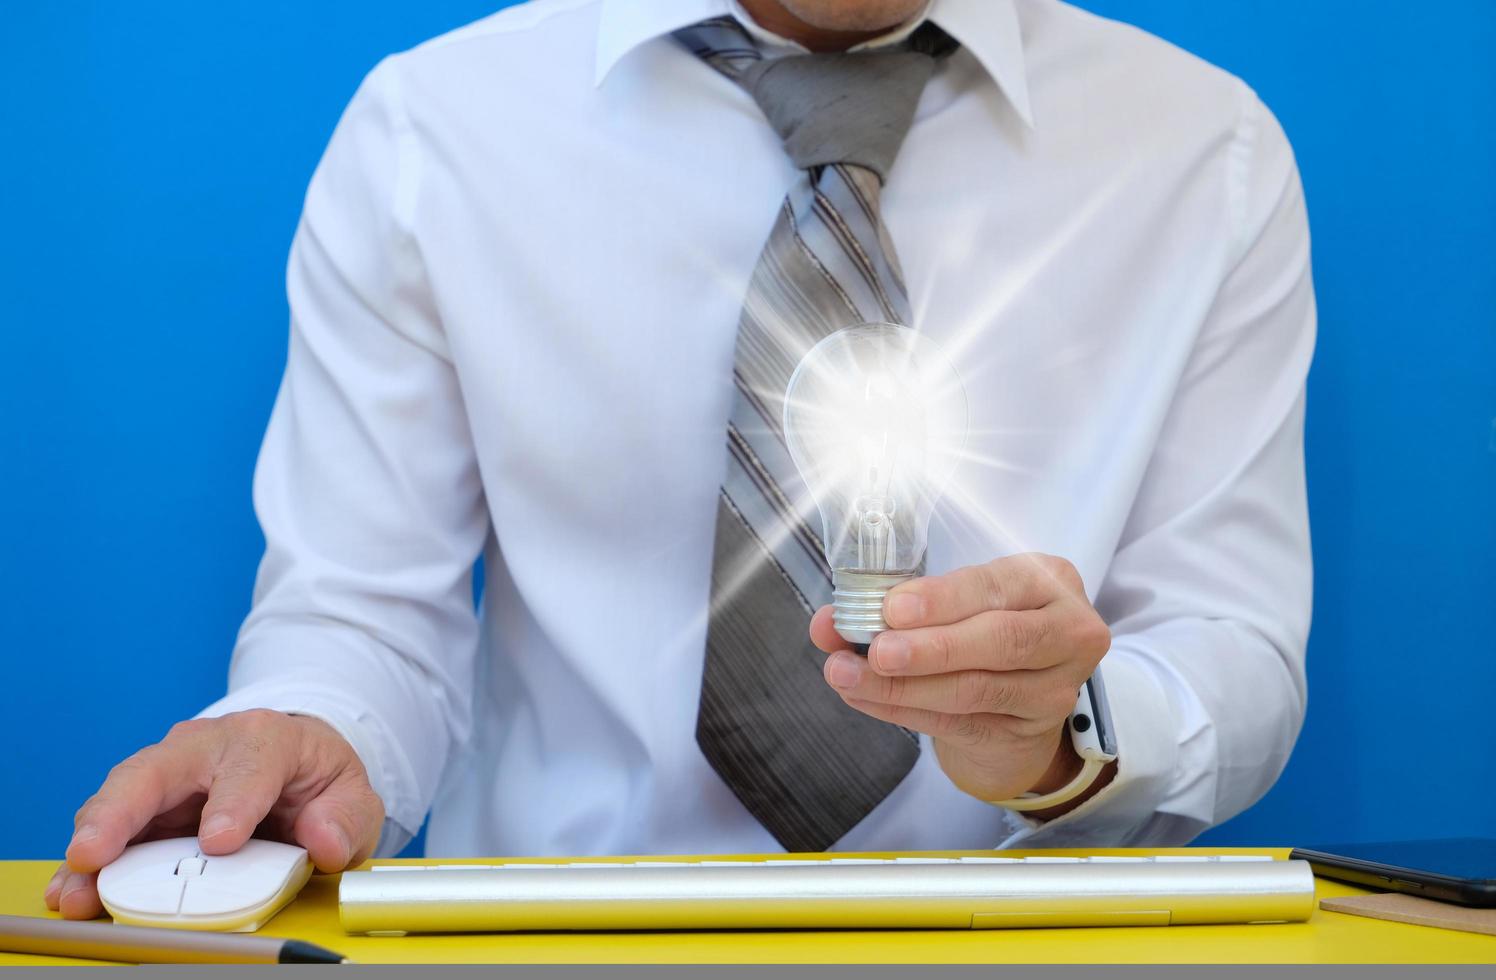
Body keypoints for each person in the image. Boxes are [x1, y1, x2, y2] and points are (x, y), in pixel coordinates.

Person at [46, 0, 1314, 918]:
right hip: (536, 946)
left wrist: (1055, 736)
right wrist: (306, 732)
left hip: (1024, 946)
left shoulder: (1205, 157)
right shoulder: (433, 136)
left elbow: (1233, 644)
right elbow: (361, 614)